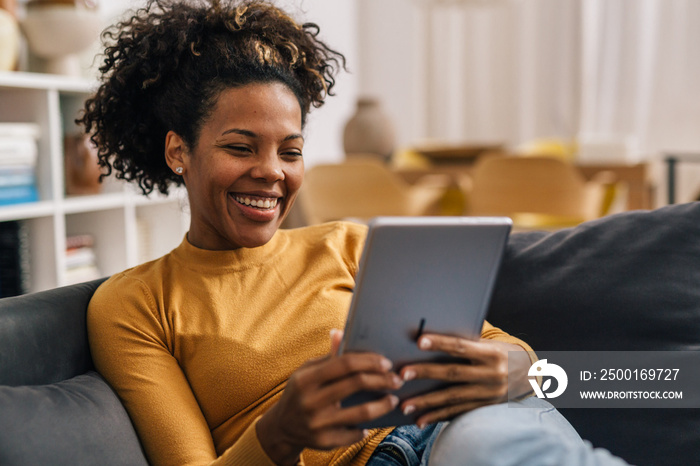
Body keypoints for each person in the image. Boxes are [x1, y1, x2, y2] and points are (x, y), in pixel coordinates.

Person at [81, 1, 630, 465]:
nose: (272, 171)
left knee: (485, 443)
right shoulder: (135, 304)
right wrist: (279, 432)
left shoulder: (346, 243)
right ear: (179, 150)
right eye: (240, 147)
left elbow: (492, 344)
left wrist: (516, 369)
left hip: (466, 425)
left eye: (290, 151)